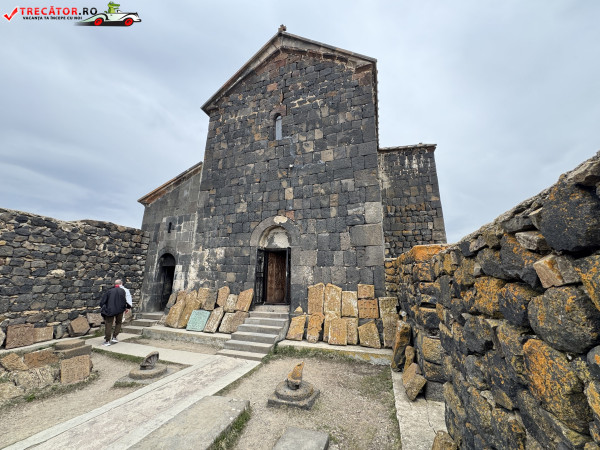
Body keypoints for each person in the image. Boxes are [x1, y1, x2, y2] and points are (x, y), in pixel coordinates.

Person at [99, 279, 128, 346]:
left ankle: (107, 341)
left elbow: (103, 301)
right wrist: (125, 308)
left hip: (110, 310)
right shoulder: (122, 291)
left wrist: (102, 307)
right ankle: (114, 337)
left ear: (114, 284)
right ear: (121, 284)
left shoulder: (109, 291)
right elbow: (124, 300)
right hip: (120, 310)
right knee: (118, 323)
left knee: (108, 324)